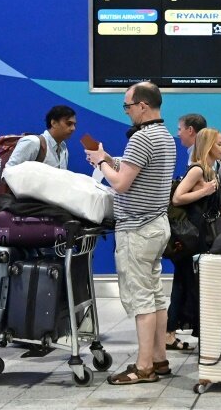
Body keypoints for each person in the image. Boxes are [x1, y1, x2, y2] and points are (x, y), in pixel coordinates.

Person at [86, 82, 176, 385]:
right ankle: (160, 359)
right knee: (155, 295)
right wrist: (109, 159)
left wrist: (101, 163)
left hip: (137, 229)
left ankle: (144, 366)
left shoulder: (141, 138)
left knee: (141, 300)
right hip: (157, 225)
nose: (126, 112)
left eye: (127, 106)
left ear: (142, 106)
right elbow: (135, 172)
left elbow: (121, 184)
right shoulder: (165, 136)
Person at [169, 127, 221, 348]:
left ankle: (173, 331)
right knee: (186, 284)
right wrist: (205, 190)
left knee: (187, 284)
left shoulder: (211, 171)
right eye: (219, 144)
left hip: (200, 235)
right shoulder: (197, 170)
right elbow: (177, 198)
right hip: (190, 237)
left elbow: (210, 211)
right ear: (208, 146)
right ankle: (173, 331)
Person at [6, 105, 76, 169]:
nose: (73, 128)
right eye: (68, 124)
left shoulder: (64, 150)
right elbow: (9, 172)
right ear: (53, 123)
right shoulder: (33, 142)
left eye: (74, 125)